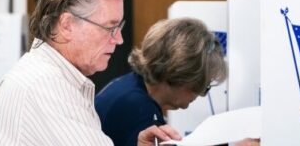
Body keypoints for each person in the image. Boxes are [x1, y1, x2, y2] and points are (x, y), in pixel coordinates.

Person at [0, 0, 180, 145]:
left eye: (119, 27)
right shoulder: (45, 86)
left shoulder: (47, 76)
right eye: (109, 28)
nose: (119, 40)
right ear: (66, 26)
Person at [95, 17, 228, 146]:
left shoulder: (130, 87)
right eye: (203, 85)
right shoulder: (141, 114)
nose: (200, 94)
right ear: (182, 74)